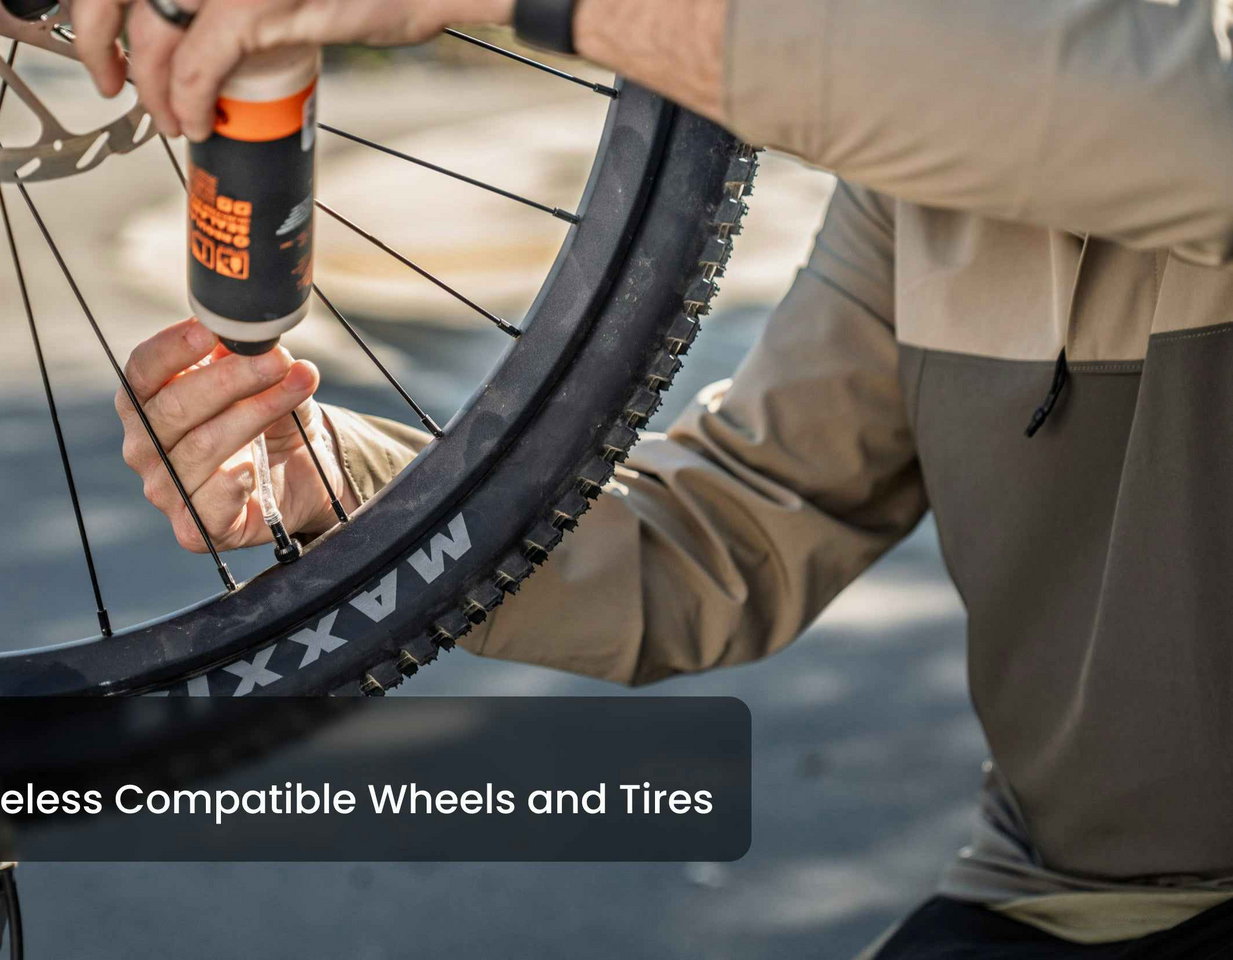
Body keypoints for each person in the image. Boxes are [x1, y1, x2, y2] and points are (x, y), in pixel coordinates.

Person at [74, 0, 1233, 955]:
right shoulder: (922, 182)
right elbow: (730, 530)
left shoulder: (1183, 82)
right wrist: (345, 484)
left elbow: (1171, 115)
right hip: (1069, 894)